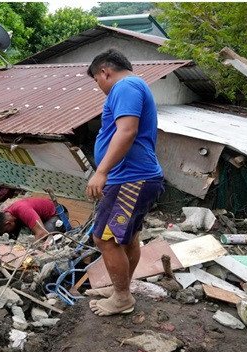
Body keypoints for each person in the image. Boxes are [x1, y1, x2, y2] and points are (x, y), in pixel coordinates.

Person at [84, 49, 164, 316]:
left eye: (97, 81)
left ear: (105, 71)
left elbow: (127, 130)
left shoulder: (125, 86)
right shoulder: (135, 86)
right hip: (137, 177)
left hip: (129, 178)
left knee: (104, 239)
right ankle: (122, 289)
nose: (100, 88)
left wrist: (102, 171)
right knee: (127, 238)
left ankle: (122, 298)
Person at [0, 198, 64, 240]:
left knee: (45, 239)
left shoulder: (23, 210)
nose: (7, 233)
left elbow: (42, 233)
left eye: (6, 231)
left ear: (8, 223)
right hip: (41, 217)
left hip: (57, 214)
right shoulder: (5, 214)